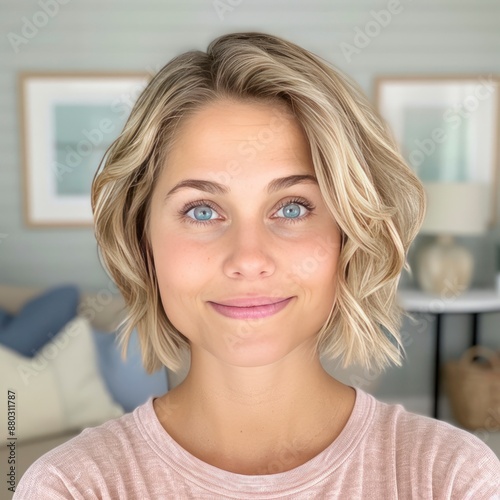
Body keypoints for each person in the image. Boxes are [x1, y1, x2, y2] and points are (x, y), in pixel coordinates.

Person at [14, 32, 500, 499]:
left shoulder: (453, 478)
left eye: (292, 207)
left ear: (347, 236)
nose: (248, 258)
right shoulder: (72, 487)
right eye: (201, 211)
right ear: (143, 240)